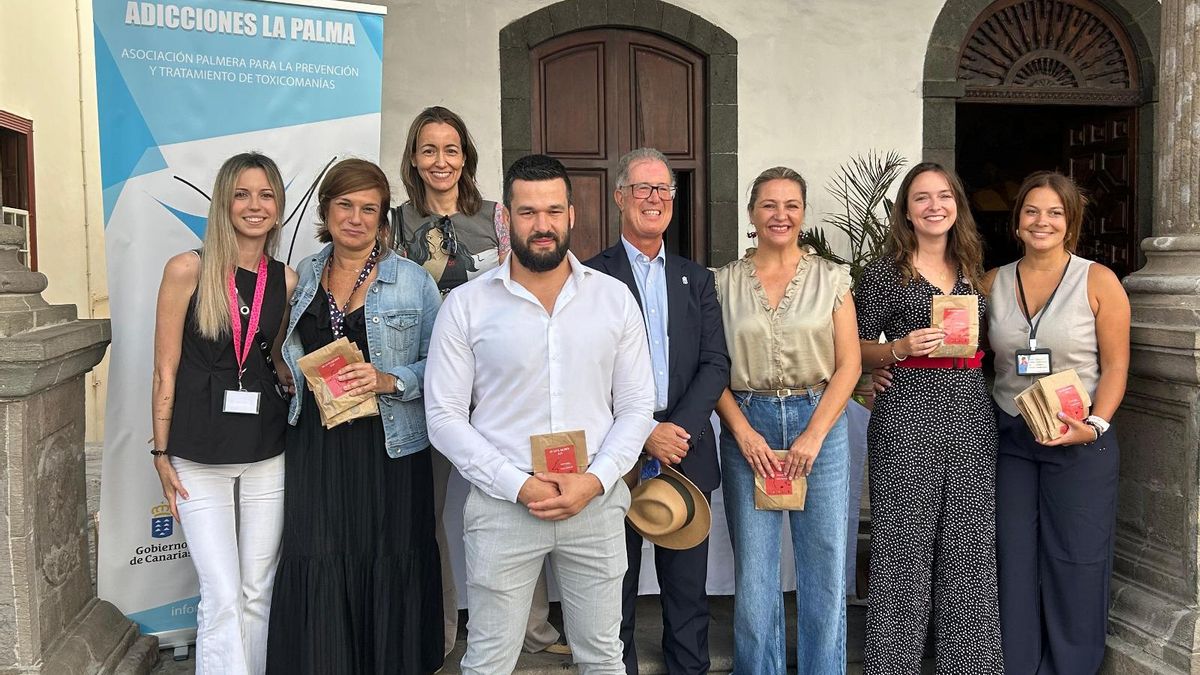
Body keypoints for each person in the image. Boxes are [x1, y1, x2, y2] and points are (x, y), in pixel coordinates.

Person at [425, 153, 656, 674]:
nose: (542, 225)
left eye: (553, 211)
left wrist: (595, 481)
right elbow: (443, 416)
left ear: (573, 214)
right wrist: (516, 484)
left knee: (603, 657)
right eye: (528, 212)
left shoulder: (614, 300)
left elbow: (638, 405)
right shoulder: (466, 306)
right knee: (488, 660)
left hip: (593, 504)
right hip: (504, 505)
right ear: (505, 219)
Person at [393, 104, 566, 657]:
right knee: (428, 517)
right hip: (428, 390)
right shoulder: (396, 223)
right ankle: (442, 631)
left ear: (465, 156)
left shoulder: (498, 215)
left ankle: (534, 630)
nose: (440, 161)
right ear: (414, 159)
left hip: (498, 389)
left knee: (523, 504)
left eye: (451, 149)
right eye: (429, 149)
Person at [266, 158, 443, 674]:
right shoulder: (300, 278)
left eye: (370, 208)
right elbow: (284, 352)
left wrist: (391, 380)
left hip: (389, 445)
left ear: (383, 218)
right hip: (316, 444)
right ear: (326, 209)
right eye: (345, 205)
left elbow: (448, 369)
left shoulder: (413, 283)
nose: (356, 218)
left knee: (391, 555)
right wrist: (285, 372)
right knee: (318, 552)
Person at [584, 147, 730, 675]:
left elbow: (716, 363)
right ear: (619, 197)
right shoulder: (589, 278)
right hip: (614, 453)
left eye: (664, 189)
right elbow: (584, 371)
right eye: (642, 188)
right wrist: (644, 432)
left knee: (687, 593)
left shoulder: (698, 278)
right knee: (613, 587)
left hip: (685, 448)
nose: (654, 198)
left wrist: (676, 429)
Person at [855, 163, 1003, 673]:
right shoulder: (883, 273)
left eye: (944, 196)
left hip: (969, 416)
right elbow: (849, 349)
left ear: (956, 205)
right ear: (907, 211)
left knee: (970, 548)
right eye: (922, 198)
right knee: (903, 552)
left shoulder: (974, 272)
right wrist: (894, 350)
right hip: (906, 418)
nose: (934, 206)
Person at [151, 152, 296, 675]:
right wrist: (160, 452)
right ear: (223, 203)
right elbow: (164, 370)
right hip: (195, 449)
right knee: (222, 593)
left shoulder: (289, 279)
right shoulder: (187, 269)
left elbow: (273, 359)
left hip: (265, 447)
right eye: (242, 194)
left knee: (259, 590)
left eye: (266, 195)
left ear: (278, 208)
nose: (254, 206)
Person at [713, 166, 861, 674]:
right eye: (769, 205)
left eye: (791, 205)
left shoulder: (832, 277)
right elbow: (712, 368)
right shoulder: (723, 283)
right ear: (752, 213)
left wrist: (815, 435)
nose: (780, 214)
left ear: (802, 213)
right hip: (747, 424)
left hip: (817, 420)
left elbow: (850, 364)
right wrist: (742, 431)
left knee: (823, 565)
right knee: (755, 573)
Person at [986, 171, 1129, 673]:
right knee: (1013, 560)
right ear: (1017, 221)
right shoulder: (993, 282)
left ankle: (1071, 666)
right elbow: (962, 354)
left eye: (1054, 212)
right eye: (1032, 211)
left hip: (1080, 437)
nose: (1042, 221)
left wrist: (1095, 424)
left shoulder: (1098, 280)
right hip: (1011, 436)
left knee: (1076, 560)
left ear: (1070, 223)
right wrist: (889, 369)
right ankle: (1018, 665)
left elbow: (1115, 366)